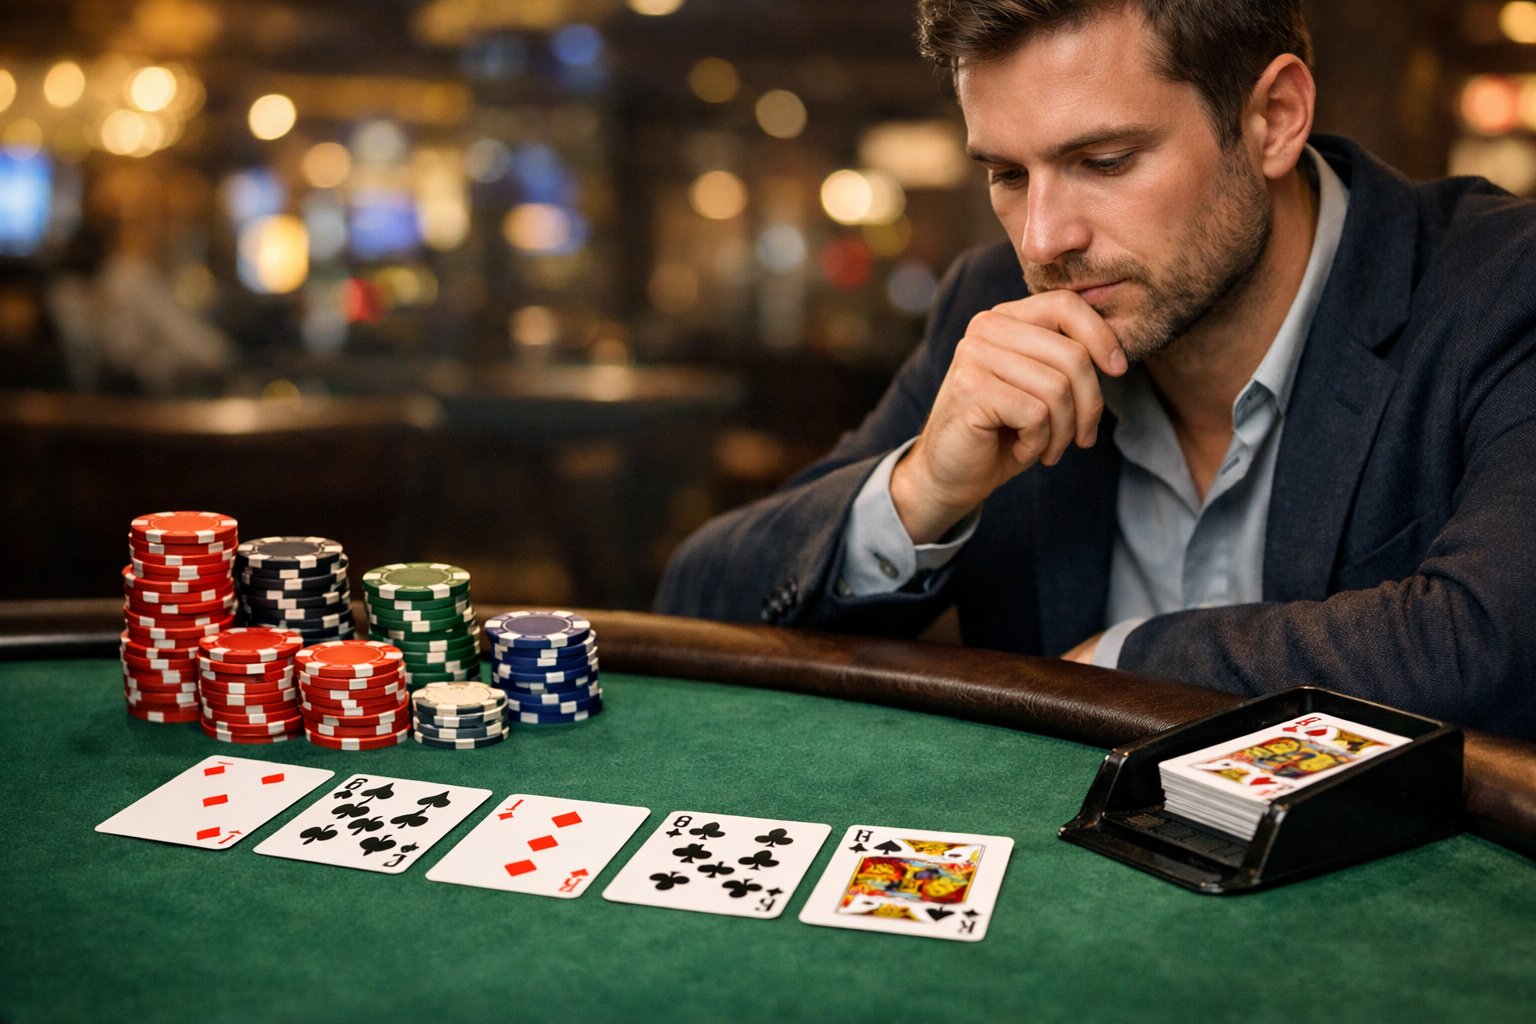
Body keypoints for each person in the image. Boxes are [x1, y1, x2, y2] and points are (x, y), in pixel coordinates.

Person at [655, 0, 1536, 740]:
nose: (1044, 240)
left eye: (1104, 162)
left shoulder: (1504, 288)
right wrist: (922, 491)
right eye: (1006, 173)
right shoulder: (995, 303)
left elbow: (1496, 650)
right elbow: (698, 605)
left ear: (1273, 117)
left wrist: (1113, 671)